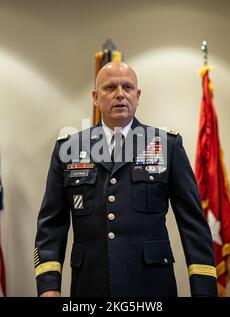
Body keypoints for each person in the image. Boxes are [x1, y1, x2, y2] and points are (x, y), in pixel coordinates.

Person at [34, 61, 217, 297]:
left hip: (151, 286)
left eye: (127, 87)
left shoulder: (166, 146)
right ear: (95, 97)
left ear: (138, 95)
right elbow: (51, 225)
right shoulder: (68, 148)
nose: (120, 94)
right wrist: (48, 287)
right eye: (110, 88)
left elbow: (193, 225)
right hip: (90, 285)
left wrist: (204, 290)